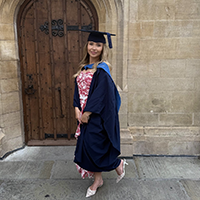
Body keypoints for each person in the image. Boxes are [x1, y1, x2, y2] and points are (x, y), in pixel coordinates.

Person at [73, 30, 128, 198]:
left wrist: (87, 112)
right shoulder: (83, 68)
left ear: (103, 48)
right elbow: (77, 91)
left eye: (98, 45)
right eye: (91, 44)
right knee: (87, 148)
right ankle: (98, 180)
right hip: (82, 114)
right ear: (87, 46)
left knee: (94, 147)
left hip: (95, 116)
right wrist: (76, 108)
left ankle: (117, 163)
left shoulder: (102, 70)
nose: (94, 48)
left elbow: (101, 94)